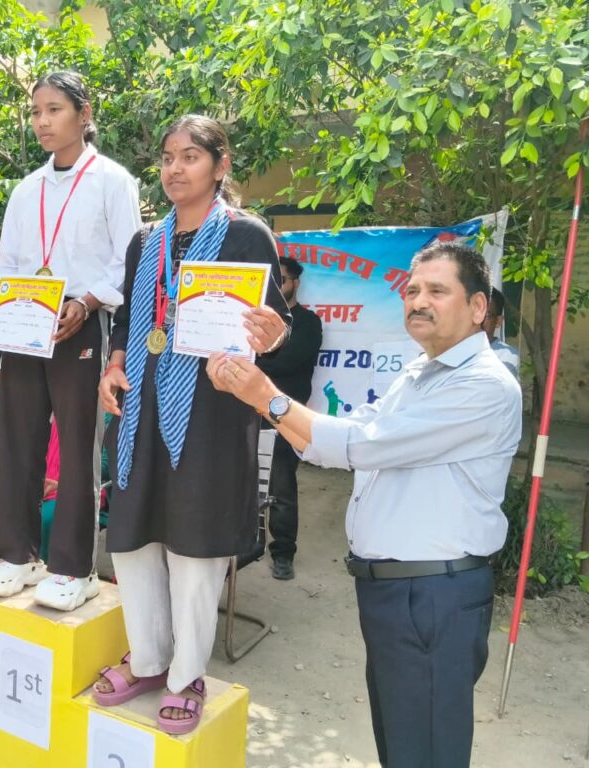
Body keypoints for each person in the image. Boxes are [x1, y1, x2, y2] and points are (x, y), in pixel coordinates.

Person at [207, 241, 521, 767]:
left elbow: (360, 446)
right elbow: (342, 437)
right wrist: (262, 401)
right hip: (399, 591)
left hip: (432, 594)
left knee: (425, 751)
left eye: (437, 291)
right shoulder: (421, 372)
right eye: (412, 290)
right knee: (401, 743)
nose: (419, 301)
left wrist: (265, 396)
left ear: (477, 307)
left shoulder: (483, 385)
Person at [94, 115, 290, 735]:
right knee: (133, 540)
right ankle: (147, 660)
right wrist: (114, 365)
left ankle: (186, 675)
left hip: (211, 413)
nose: (175, 169)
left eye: (190, 157)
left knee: (195, 547)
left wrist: (271, 334)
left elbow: (273, 326)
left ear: (220, 165)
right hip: (139, 408)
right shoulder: (145, 241)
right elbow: (128, 319)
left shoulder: (246, 235)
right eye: (167, 157)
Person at [0, 70, 141, 612]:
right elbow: (9, 262)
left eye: (54, 110)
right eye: (36, 112)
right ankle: (16, 556)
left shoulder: (113, 180)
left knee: (76, 447)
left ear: (83, 113)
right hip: (26, 320)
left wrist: (87, 302)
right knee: (15, 439)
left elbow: (127, 259)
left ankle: (74, 568)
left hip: (80, 322)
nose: (42, 121)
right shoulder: (27, 189)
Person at [256, 256, 322, 580]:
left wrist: (251, 361)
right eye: (271, 280)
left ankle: (283, 553)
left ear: (296, 282)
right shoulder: (255, 320)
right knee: (240, 481)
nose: (277, 285)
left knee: (281, 487)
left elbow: (287, 362)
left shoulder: (307, 322)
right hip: (245, 410)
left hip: (284, 416)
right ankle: (247, 544)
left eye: (281, 279)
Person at [483, 287, 519, 380]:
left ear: (498, 321)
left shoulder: (506, 355)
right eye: (474, 313)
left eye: (486, 316)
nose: (479, 319)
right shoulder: (456, 348)